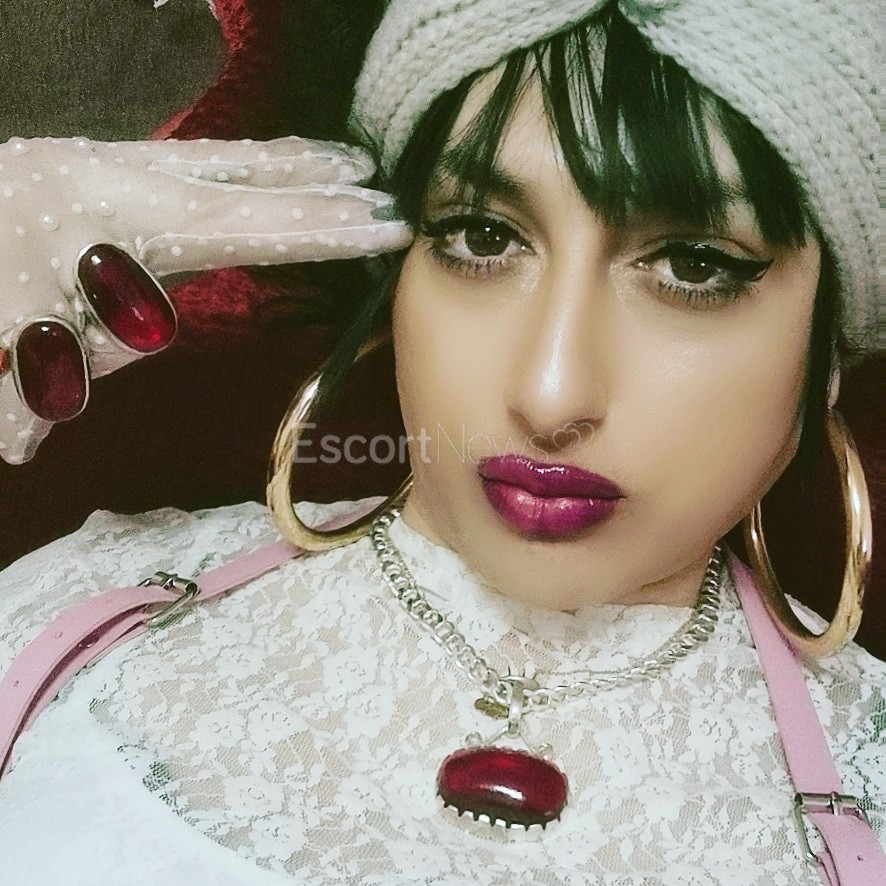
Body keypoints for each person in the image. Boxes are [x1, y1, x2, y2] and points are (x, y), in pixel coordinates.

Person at [0, 1, 882, 884]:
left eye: (694, 266)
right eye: (483, 236)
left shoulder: (866, 760)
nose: (551, 394)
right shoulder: (89, 614)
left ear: (825, 352)